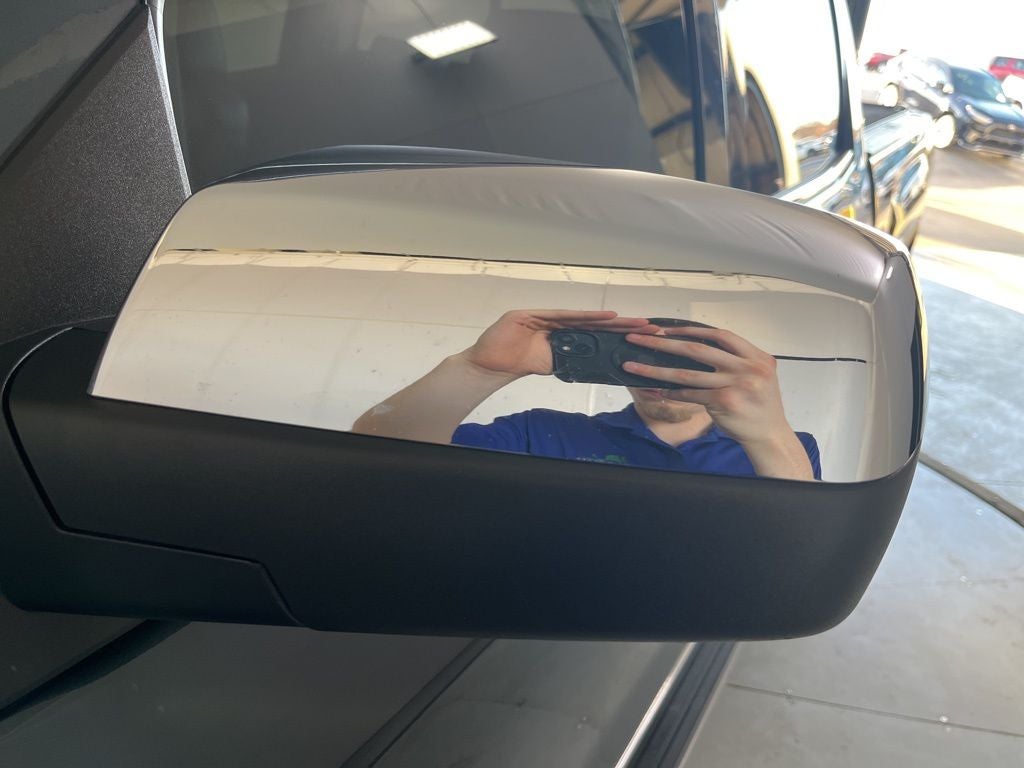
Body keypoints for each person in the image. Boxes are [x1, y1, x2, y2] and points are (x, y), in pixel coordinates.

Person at [352, 310, 820, 481]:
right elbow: (381, 460)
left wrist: (770, 433)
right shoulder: (540, 432)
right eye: (639, 359)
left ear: (719, 368)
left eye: (684, 362)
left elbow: (801, 551)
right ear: (615, 368)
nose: (660, 376)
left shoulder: (784, 447)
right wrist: (477, 369)